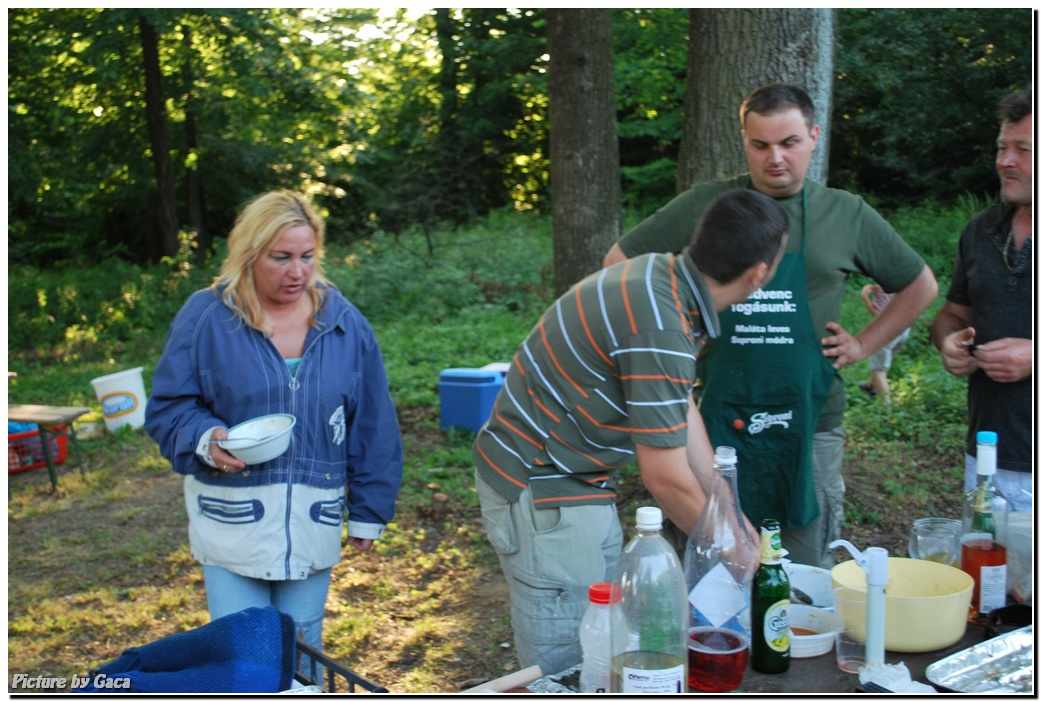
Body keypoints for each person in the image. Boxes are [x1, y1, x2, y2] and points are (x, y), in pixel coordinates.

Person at [603, 84, 938, 569]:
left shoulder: (845, 214)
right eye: (760, 145)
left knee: (800, 572)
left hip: (812, 421)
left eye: (789, 143)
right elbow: (620, 263)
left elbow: (920, 285)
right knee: (711, 567)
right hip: (715, 420)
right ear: (744, 141)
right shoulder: (709, 205)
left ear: (814, 136)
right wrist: (672, 333)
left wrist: (864, 344)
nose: (775, 158)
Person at [475, 189, 788, 676]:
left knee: (608, 645)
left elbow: (680, 411)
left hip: (582, 482)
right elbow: (664, 478)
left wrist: (730, 517)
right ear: (759, 274)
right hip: (542, 489)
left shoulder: (664, 280)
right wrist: (736, 561)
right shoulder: (661, 323)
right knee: (573, 665)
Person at [145, 190, 404, 652]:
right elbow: (168, 408)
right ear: (249, 254)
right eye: (281, 257)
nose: (297, 272)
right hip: (231, 520)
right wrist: (206, 439)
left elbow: (373, 423)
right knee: (246, 652)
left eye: (307, 256)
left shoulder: (343, 322)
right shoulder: (206, 317)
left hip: (314, 520)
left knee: (303, 648)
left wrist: (369, 510)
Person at [931, 87, 1033, 512]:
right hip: (987, 456)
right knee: (989, 579)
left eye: (1022, 150)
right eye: (1002, 147)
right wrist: (949, 341)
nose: (1004, 161)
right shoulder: (980, 230)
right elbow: (952, 315)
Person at [858, 283, 911, 404]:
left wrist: (865, 297)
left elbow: (881, 316)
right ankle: (871, 386)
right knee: (880, 361)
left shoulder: (884, 286)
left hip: (886, 332)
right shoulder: (903, 281)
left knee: (879, 370)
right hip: (904, 330)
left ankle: (888, 410)